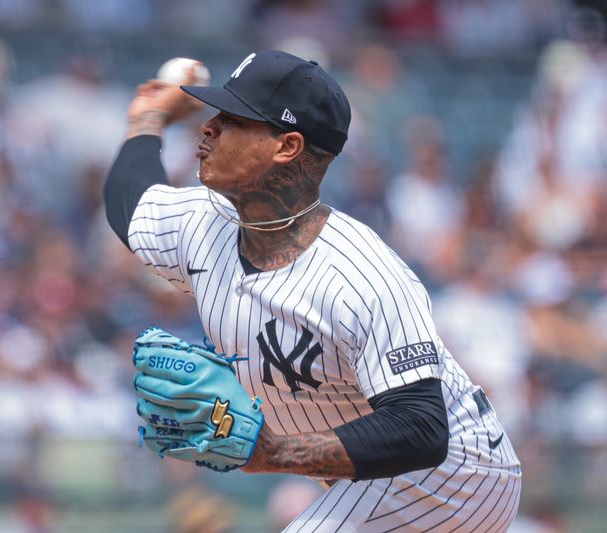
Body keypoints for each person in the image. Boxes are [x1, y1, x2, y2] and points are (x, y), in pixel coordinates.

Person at [103, 49, 521, 532]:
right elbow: (130, 203)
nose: (208, 127)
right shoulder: (202, 225)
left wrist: (275, 452)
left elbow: (422, 427)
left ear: (287, 147)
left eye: (234, 119)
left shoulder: (360, 276)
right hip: (370, 481)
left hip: (455, 478)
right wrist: (149, 119)